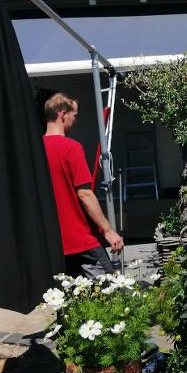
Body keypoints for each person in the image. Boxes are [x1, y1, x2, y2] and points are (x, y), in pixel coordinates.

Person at [43, 93, 124, 279]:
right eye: (74, 115)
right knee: (110, 288)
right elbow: (85, 194)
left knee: (70, 293)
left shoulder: (35, 151)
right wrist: (108, 231)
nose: (75, 120)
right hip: (81, 239)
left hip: (53, 244)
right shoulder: (71, 147)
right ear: (63, 114)